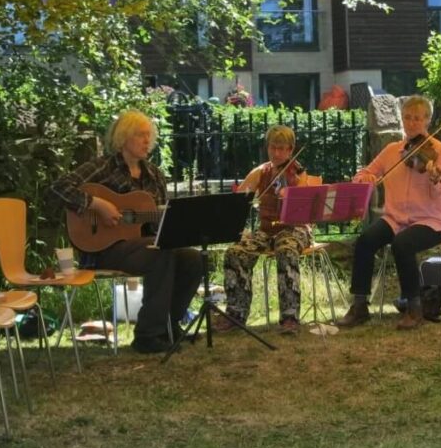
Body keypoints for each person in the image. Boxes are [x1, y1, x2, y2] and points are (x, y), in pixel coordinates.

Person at [49, 110, 204, 354]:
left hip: (139, 246)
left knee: (193, 258)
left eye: (148, 135)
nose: (147, 141)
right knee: (160, 252)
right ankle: (147, 336)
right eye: (140, 135)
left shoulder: (154, 175)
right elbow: (59, 188)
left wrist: (176, 220)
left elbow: (158, 225)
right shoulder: (102, 167)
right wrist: (97, 204)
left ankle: (168, 326)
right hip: (102, 248)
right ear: (123, 138)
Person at [336, 95, 441, 331]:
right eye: (407, 118)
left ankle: (414, 308)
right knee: (365, 240)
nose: (411, 123)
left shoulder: (437, 150)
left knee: (402, 244)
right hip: (395, 218)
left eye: (417, 119)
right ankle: (359, 305)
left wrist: (434, 177)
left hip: (430, 221)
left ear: (427, 121)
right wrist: (365, 178)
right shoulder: (392, 151)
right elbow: (364, 173)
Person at [217, 125, 312, 335]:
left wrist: (292, 194)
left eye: (282, 149)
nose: (277, 153)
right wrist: (239, 230)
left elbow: (307, 209)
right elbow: (238, 202)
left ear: (290, 150)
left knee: (286, 250)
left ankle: (290, 317)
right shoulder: (261, 172)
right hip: (267, 230)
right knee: (235, 252)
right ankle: (236, 314)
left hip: (294, 229)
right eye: (273, 148)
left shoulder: (299, 174)